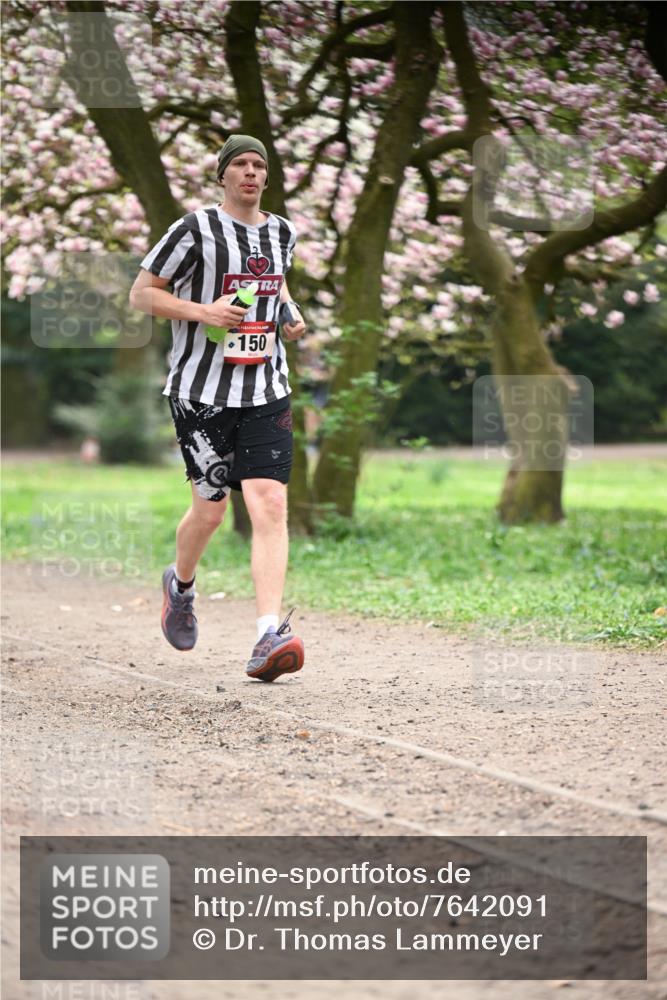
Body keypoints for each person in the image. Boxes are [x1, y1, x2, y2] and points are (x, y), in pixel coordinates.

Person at [129, 135, 306, 682]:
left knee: (270, 504)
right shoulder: (193, 229)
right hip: (201, 393)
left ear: (267, 178)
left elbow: (272, 287)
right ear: (223, 175)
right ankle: (180, 587)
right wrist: (202, 312)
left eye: (259, 166)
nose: (250, 173)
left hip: (265, 389)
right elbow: (142, 294)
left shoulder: (281, 231)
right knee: (210, 512)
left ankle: (267, 634)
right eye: (240, 165)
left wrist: (288, 316)